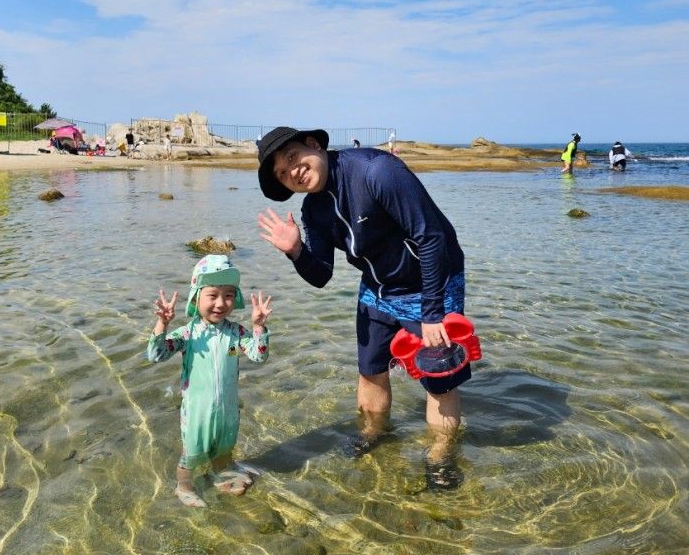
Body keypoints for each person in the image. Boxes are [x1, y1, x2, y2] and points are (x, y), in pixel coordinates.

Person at [256, 126, 467, 490]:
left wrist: (433, 313)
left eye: (293, 158)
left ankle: (440, 457)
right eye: (283, 174)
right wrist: (295, 251)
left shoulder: (376, 171)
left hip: (430, 283)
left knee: (439, 382)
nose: (294, 172)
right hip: (377, 288)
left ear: (313, 144)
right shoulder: (313, 209)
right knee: (370, 371)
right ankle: (374, 434)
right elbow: (321, 275)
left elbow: (430, 237)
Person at [147, 255, 272, 508]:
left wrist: (258, 327)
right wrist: (162, 323)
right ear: (196, 298)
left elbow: (258, 356)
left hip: (227, 409)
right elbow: (156, 354)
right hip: (197, 412)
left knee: (224, 449)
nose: (220, 303)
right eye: (212, 295)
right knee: (191, 455)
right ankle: (183, 486)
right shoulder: (188, 333)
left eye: (228, 295)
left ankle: (221, 475)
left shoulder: (236, 333)